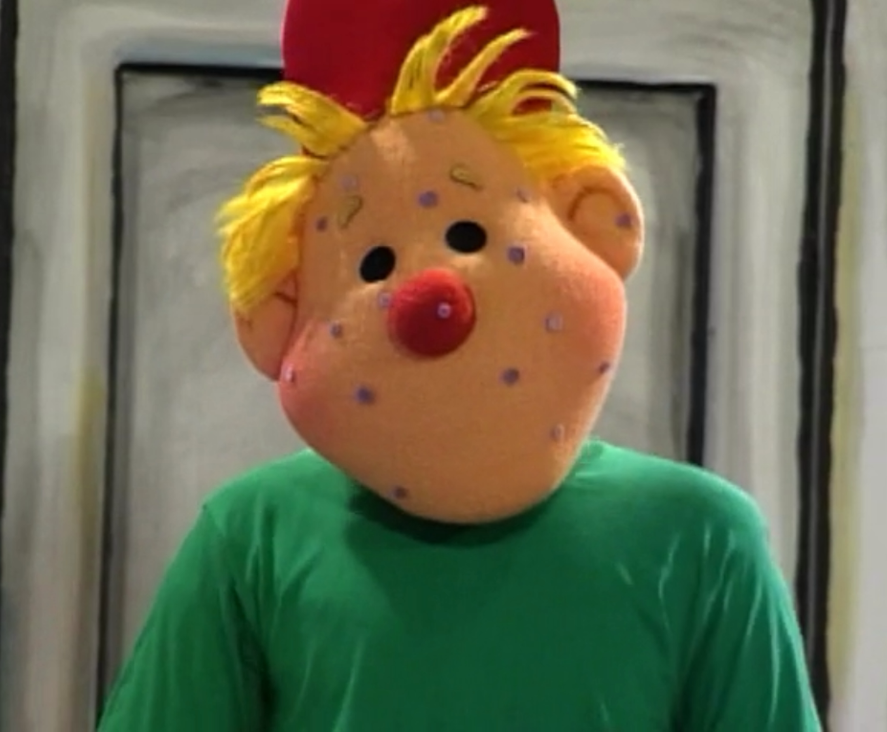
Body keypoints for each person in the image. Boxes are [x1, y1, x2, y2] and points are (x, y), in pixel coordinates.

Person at [97, 1, 822, 729]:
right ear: (280, 312)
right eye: (375, 263)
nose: (429, 298)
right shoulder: (252, 534)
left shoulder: (699, 535)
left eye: (470, 234)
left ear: (593, 220)